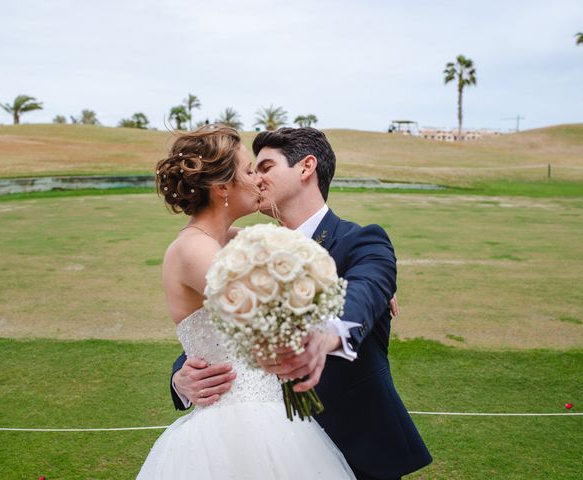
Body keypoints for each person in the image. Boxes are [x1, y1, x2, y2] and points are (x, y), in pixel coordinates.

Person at [171, 127, 432, 480]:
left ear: (306, 167)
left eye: (264, 168)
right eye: (251, 170)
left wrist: (328, 329)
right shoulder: (239, 249)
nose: (256, 180)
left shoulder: (361, 241)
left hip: (356, 450)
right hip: (254, 448)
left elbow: (367, 289)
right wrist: (181, 377)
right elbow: (221, 330)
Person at [137, 124, 356, 479]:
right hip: (235, 428)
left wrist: (345, 282)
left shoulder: (235, 240)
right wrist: (329, 298)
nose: (258, 180)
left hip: (274, 414)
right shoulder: (194, 249)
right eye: (249, 170)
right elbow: (273, 312)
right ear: (222, 186)